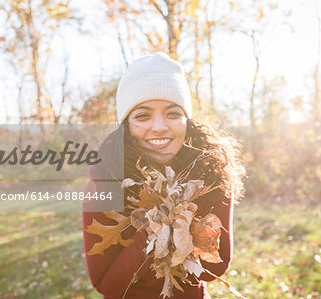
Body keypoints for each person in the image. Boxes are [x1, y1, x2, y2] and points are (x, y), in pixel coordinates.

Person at [82, 52, 245, 299]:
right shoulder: (103, 185)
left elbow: (215, 269)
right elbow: (107, 285)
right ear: (126, 125)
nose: (159, 126)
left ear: (186, 121)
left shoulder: (212, 176)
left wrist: (188, 234)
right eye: (142, 115)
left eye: (172, 113)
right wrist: (150, 235)